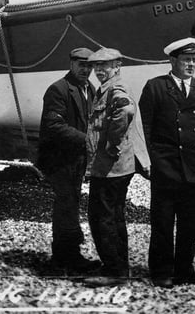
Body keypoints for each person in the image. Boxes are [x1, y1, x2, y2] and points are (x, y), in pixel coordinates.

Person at [139, 37, 195, 288]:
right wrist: (148, 159)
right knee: (163, 222)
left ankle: (184, 269)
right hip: (166, 167)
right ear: (173, 60)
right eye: (186, 60)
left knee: (190, 225)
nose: (191, 64)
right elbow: (143, 126)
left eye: (194, 60)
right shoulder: (155, 87)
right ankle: (161, 271)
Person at [83, 48, 150, 287]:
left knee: (103, 218)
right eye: (96, 67)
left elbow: (125, 110)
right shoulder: (107, 88)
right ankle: (119, 267)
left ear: (117, 66)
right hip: (113, 167)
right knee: (113, 217)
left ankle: (115, 271)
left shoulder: (115, 89)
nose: (99, 71)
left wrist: (112, 142)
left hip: (111, 166)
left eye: (105, 66)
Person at [36, 47, 100, 275]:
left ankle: (68, 255)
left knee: (71, 203)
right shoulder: (58, 90)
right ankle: (64, 259)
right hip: (58, 159)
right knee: (66, 203)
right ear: (71, 63)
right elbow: (54, 126)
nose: (86, 69)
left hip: (76, 158)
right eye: (81, 64)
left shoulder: (90, 89)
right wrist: (88, 140)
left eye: (90, 65)